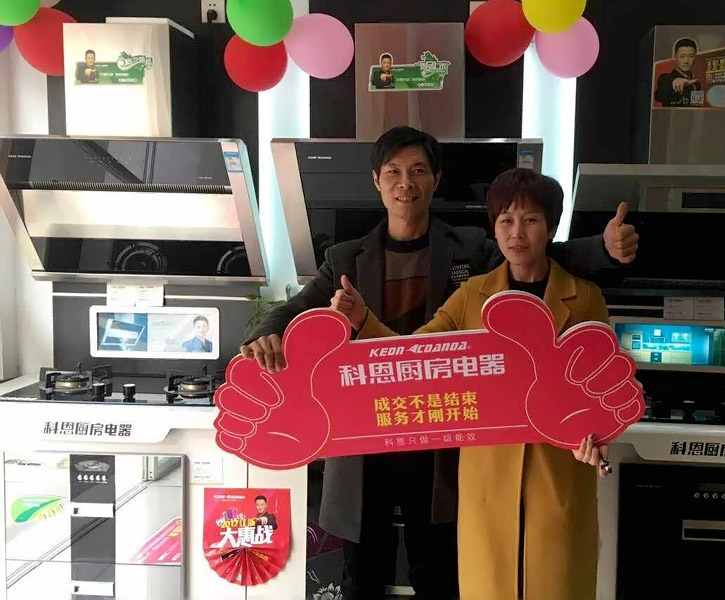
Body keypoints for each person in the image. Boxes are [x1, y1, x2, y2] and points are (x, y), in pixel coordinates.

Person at [239, 126, 639, 600]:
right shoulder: (345, 257)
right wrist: (264, 334)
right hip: (365, 443)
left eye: (418, 170)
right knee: (361, 577)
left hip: (440, 445)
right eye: (393, 172)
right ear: (376, 180)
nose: (405, 182)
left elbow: (533, 253)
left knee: (438, 577)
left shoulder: (470, 250)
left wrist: (602, 248)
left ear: (436, 179)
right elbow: (295, 309)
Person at [331, 168, 620, 599]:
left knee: (557, 581)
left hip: (559, 471)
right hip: (488, 477)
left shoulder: (584, 297)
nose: (516, 233)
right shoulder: (472, 295)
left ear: (551, 228)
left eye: (530, 220)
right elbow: (415, 355)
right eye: (506, 220)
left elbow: (601, 382)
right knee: (489, 585)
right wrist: (364, 321)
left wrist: (597, 436)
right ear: (494, 229)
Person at [655, 38, 701, 107]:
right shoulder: (665, 79)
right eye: (682, 56)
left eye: (691, 56)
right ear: (675, 57)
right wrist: (674, 81)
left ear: (695, 57)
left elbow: (696, 107)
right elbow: (659, 95)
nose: (686, 61)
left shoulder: (696, 83)